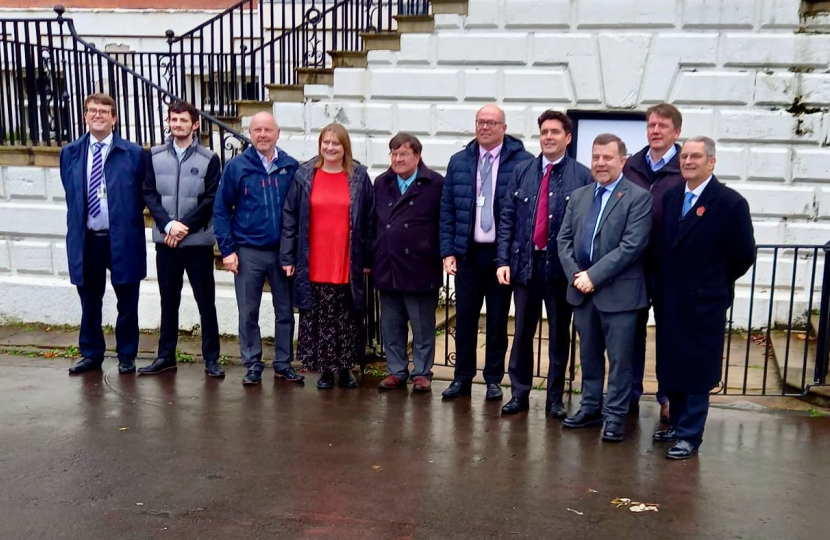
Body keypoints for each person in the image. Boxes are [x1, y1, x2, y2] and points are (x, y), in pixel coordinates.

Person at [653, 136, 755, 460]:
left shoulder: (729, 203)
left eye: (696, 156)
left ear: (711, 162)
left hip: (704, 301)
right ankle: (678, 423)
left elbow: (742, 255)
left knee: (697, 369)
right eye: (685, 156)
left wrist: (714, 284)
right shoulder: (671, 198)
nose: (688, 161)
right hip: (671, 299)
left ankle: (689, 435)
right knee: (672, 365)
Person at [557, 134, 652, 443]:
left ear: (622, 161)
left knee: (621, 360)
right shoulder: (580, 195)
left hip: (620, 295)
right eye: (596, 157)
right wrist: (575, 275)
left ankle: (614, 417)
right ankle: (590, 407)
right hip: (582, 292)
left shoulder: (638, 197)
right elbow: (564, 240)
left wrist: (593, 276)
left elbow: (631, 246)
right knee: (589, 355)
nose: (600, 163)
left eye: (608, 157)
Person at [496, 111, 592, 416]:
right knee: (522, 332)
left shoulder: (582, 176)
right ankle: (519, 393)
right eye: (544, 132)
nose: (548, 137)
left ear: (568, 137)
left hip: (560, 270)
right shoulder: (523, 172)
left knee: (559, 336)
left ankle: (554, 398)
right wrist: (503, 260)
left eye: (554, 132)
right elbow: (507, 219)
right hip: (525, 265)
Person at [439, 104, 533, 400]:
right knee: (464, 320)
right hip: (467, 254)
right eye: (480, 122)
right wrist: (448, 251)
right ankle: (462, 377)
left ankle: (493, 379)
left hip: (500, 257)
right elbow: (448, 209)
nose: (485, 127)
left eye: (491, 123)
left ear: (504, 128)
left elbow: (523, 213)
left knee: (496, 321)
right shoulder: (459, 161)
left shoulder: (523, 162)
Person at [280, 123, 375, 389]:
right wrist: (287, 257)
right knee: (319, 317)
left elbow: (369, 219)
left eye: (336, 143)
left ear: (345, 147)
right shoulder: (305, 175)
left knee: (346, 317)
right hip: (314, 258)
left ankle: (345, 369)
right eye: (326, 143)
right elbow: (290, 216)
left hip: (347, 258)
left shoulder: (359, 177)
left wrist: (367, 258)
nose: (330, 148)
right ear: (320, 145)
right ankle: (325, 369)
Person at [60, 93, 146, 375]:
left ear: (114, 118)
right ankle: (91, 353)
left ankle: (126, 355)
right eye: (92, 111)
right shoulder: (71, 152)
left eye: (104, 111)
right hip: (87, 239)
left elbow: (142, 194)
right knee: (89, 299)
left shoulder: (133, 154)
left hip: (122, 238)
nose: (98, 115)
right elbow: (72, 192)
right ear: (85, 116)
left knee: (128, 299)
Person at [213, 112, 301, 386]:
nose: (262, 134)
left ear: (278, 132)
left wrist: (295, 251)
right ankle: (252, 363)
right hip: (247, 250)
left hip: (282, 253)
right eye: (256, 130)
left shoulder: (291, 167)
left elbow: (299, 212)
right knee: (248, 311)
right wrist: (227, 250)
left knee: (285, 311)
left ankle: (283, 363)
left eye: (267, 129)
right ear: (250, 134)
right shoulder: (237, 167)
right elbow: (221, 210)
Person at [141, 101, 223, 377]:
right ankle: (166, 356)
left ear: (195, 124)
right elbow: (149, 194)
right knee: (168, 301)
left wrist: (183, 226)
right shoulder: (153, 155)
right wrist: (167, 225)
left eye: (183, 120)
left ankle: (211, 359)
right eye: (173, 119)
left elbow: (211, 199)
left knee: (205, 302)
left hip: (197, 242)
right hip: (166, 243)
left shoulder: (209, 159)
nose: (177, 124)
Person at [623, 102, 685, 422]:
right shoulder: (631, 166)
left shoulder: (685, 167)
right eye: (651, 126)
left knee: (669, 333)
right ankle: (629, 394)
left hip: (670, 267)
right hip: (634, 265)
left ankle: (667, 396)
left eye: (662, 126)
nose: (655, 131)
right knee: (632, 331)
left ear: (677, 131)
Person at [374, 133, 444, 392]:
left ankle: (422, 372)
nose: (398, 159)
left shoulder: (435, 184)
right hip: (388, 264)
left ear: (418, 155)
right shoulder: (382, 183)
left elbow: (444, 223)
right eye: (393, 154)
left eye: (403, 154)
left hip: (420, 266)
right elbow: (373, 223)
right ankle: (396, 370)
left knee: (422, 325)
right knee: (391, 324)